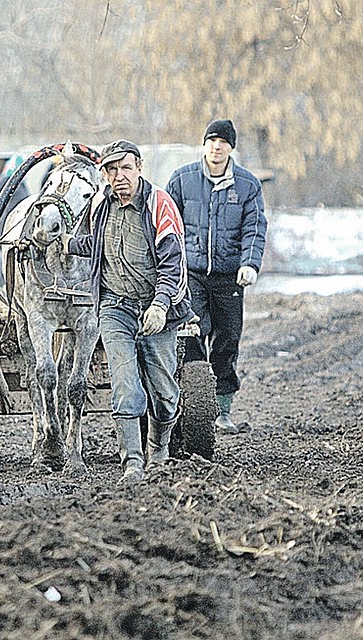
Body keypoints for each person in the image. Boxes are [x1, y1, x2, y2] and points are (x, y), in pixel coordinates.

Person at [65, 140, 194, 485]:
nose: (119, 176)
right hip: (114, 307)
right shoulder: (99, 206)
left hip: (155, 310)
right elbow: (93, 244)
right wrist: (64, 242)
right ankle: (133, 464)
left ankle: (159, 446)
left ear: (138, 167)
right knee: (125, 387)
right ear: (104, 174)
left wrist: (161, 304)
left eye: (125, 168)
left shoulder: (159, 204)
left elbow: (173, 261)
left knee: (165, 396)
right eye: (111, 170)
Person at [166, 119, 267, 431]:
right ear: (204, 144)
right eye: (211, 140)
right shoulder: (183, 180)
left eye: (223, 142)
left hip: (229, 277)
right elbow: (167, 223)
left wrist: (249, 263)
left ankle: (223, 409)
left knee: (226, 340)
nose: (216, 146)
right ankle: (193, 404)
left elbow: (254, 228)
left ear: (231, 148)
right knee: (191, 333)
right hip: (191, 273)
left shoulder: (247, 185)